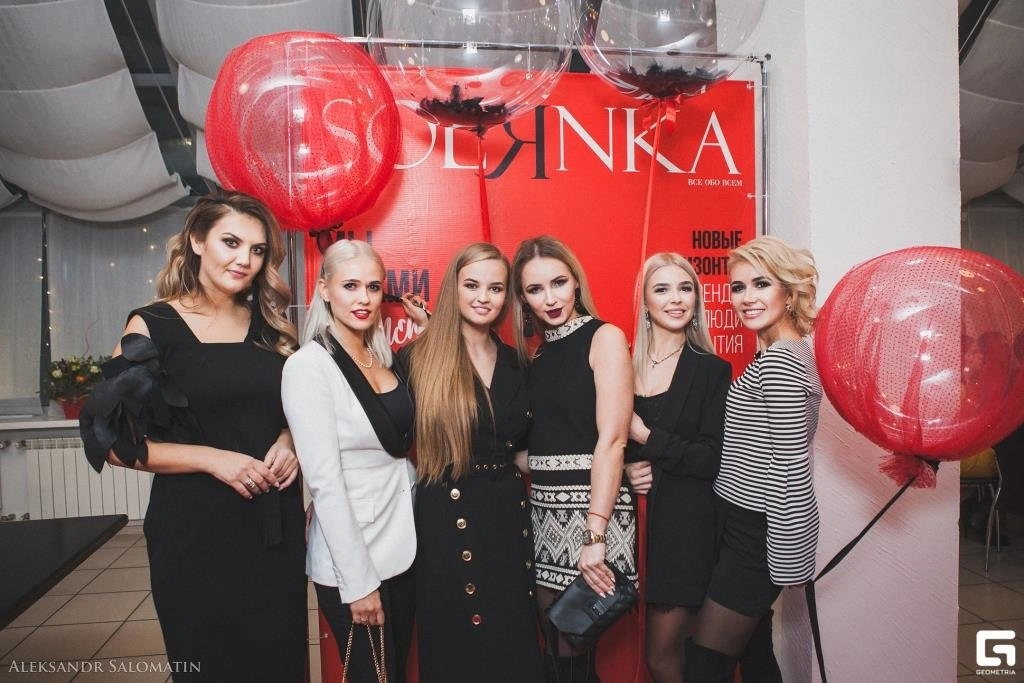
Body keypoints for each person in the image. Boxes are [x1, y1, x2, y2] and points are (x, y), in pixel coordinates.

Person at [78, 192, 306, 682]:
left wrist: (289, 440)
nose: (244, 260)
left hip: (274, 532)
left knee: (280, 665)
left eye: (257, 250)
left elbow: (294, 412)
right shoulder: (153, 325)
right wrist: (212, 458)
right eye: (230, 242)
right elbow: (110, 439)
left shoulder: (272, 327)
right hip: (194, 535)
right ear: (198, 241)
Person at [400, 242, 544, 683]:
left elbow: (525, 451)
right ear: (453, 289)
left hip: (507, 516)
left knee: (512, 641)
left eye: (495, 288)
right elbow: (379, 436)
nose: (484, 297)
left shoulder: (519, 363)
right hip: (446, 517)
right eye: (472, 285)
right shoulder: (417, 359)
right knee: (457, 643)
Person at [685, 235, 822, 683]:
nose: (747, 298)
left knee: (705, 663)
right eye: (738, 287)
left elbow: (790, 465)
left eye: (761, 284)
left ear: (789, 292)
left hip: (757, 531)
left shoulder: (780, 361)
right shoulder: (789, 351)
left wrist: (780, 560)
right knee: (756, 654)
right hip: (748, 525)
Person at [282, 239, 416, 683]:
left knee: (394, 673)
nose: (363, 299)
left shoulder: (382, 355)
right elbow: (325, 482)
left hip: (404, 545)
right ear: (324, 289)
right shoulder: (309, 366)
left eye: (373, 287)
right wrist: (357, 584)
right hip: (354, 559)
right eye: (350, 286)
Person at [511, 235, 635, 682]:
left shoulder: (604, 337)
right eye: (536, 289)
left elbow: (613, 441)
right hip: (545, 513)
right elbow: (541, 446)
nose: (550, 298)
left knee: (573, 650)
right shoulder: (538, 355)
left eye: (559, 283)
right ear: (523, 299)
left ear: (576, 283)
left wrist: (595, 534)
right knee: (555, 649)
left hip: (593, 515)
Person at [624, 253, 731, 682]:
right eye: (662, 289)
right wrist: (628, 472)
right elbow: (602, 445)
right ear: (645, 302)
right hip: (633, 530)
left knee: (662, 654)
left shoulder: (711, 370)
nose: (676, 299)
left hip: (687, 531)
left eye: (685, 288)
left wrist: (645, 435)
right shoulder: (621, 365)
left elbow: (711, 459)